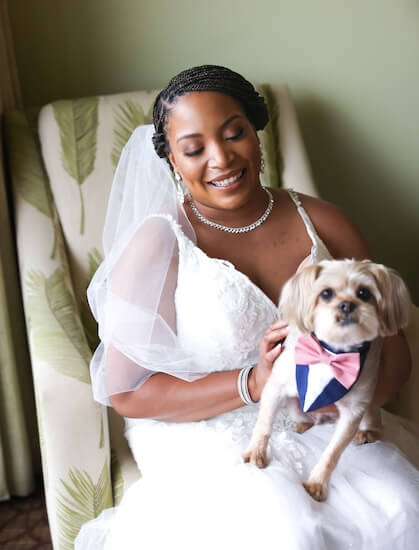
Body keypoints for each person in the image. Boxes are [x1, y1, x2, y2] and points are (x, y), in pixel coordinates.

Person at [76, 65, 419, 550]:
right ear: (172, 159)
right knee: (287, 531)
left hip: (326, 415)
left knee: (401, 504)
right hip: (203, 431)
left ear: (257, 134)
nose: (220, 158)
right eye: (194, 149)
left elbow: (393, 347)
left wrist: (354, 387)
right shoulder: (157, 243)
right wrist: (252, 382)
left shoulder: (324, 223)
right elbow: (129, 392)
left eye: (234, 134)